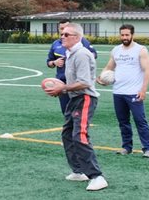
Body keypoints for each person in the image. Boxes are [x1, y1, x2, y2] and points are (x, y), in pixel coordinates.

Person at [45, 23, 108, 191]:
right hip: (74, 98)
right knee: (67, 134)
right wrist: (61, 89)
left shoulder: (81, 54)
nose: (62, 36)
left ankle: (97, 176)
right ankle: (78, 171)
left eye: (66, 34)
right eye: (62, 34)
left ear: (77, 37)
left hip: (85, 98)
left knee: (79, 135)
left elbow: (85, 82)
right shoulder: (70, 53)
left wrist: (62, 88)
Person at [97, 24, 149, 158]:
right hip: (118, 92)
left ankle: (148, 149)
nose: (124, 37)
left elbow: (147, 70)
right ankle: (126, 147)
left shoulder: (141, 50)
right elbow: (109, 67)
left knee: (140, 120)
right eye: (122, 35)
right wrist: (102, 78)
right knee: (123, 121)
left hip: (134, 92)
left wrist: (143, 89)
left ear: (132, 35)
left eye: (127, 35)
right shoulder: (116, 50)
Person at [47, 19, 97, 114]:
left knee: (79, 125)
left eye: (66, 33)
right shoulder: (59, 46)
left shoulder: (81, 49)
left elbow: (93, 55)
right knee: (67, 116)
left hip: (80, 92)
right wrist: (54, 62)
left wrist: (81, 61)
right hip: (64, 84)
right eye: (61, 30)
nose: (63, 34)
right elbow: (49, 62)